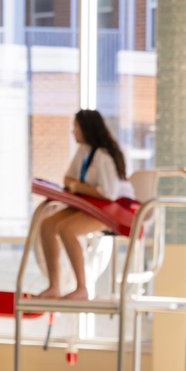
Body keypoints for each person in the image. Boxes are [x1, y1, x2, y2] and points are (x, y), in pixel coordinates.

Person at [35, 108, 133, 301]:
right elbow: (68, 179)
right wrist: (83, 187)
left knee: (67, 230)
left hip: (111, 210)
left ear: (86, 129)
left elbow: (108, 194)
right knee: (47, 225)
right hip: (90, 204)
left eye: (76, 128)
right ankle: (54, 286)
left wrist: (79, 186)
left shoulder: (104, 156)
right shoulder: (84, 152)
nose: (73, 132)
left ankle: (82, 287)